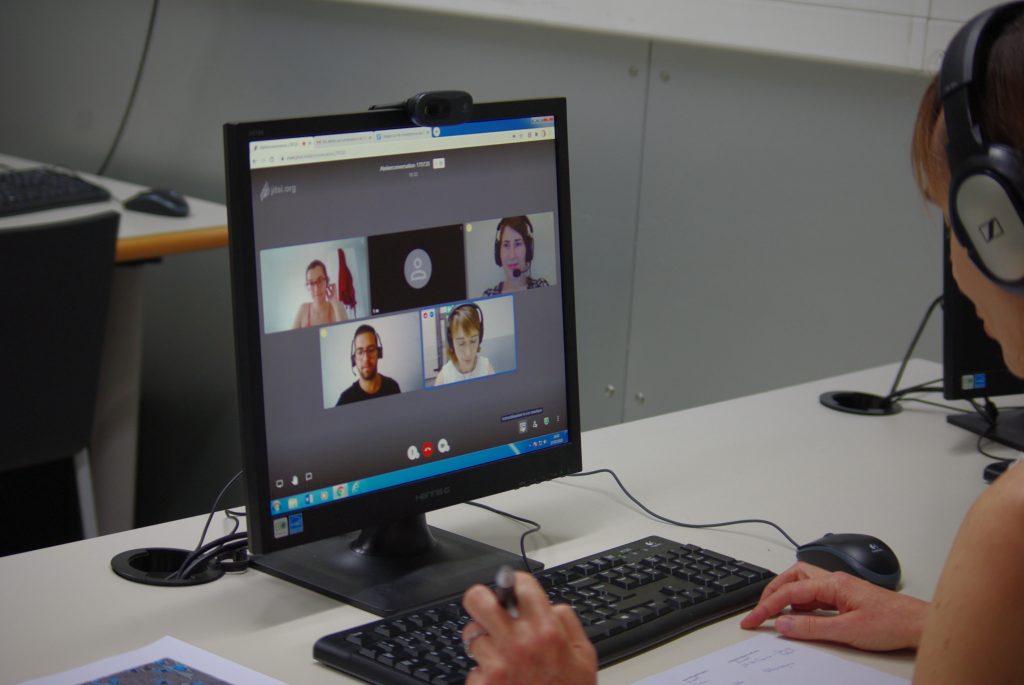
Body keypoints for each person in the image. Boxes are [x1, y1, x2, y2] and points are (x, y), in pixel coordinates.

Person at [460, 5, 1024, 683]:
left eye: (956, 223)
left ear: (1002, 226)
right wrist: (949, 623)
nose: (959, 267)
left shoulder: (1013, 525)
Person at [483, 216, 550, 296]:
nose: (512, 256)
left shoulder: (541, 286)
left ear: (528, 250)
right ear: (498, 252)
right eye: (506, 245)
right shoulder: (489, 295)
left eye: (518, 244)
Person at [336, 324, 401, 405]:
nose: (366, 358)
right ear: (354, 359)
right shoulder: (345, 400)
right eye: (360, 352)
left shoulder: (393, 387)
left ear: (379, 353)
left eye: (371, 350)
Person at [434, 303, 496, 385]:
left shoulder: (486, 367)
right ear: (451, 342)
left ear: (479, 338)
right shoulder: (443, 378)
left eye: (473, 341)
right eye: (461, 343)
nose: (468, 353)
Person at [292, 259, 347, 329]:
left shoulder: (337, 307)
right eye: (311, 283)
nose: (316, 289)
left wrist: (334, 301)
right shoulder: (303, 309)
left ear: (326, 282)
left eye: (320, 280)